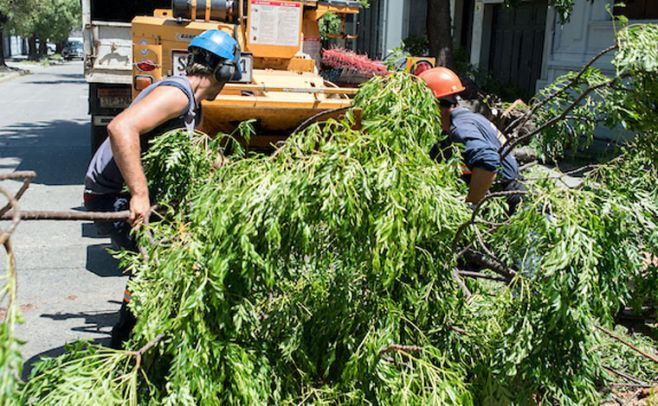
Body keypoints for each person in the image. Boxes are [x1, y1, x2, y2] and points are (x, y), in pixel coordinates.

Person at [83, 29, 241, 348]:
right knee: (160, 264)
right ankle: (129, 344)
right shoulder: (178, 94)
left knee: (157, 262)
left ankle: (138, 341)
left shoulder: (190, 104)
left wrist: (232, 171)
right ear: (224, 71)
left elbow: (188, 146)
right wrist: (140, 194)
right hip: (112, 197)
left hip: (119, 194)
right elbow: (121, 127)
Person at [418, 67, 524, 213]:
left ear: (437, 106)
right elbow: (437, 157)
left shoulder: (461, 129)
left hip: (506, 203)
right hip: (504, 195)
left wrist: (471, 205)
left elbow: (488, 160)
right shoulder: (464, 121)